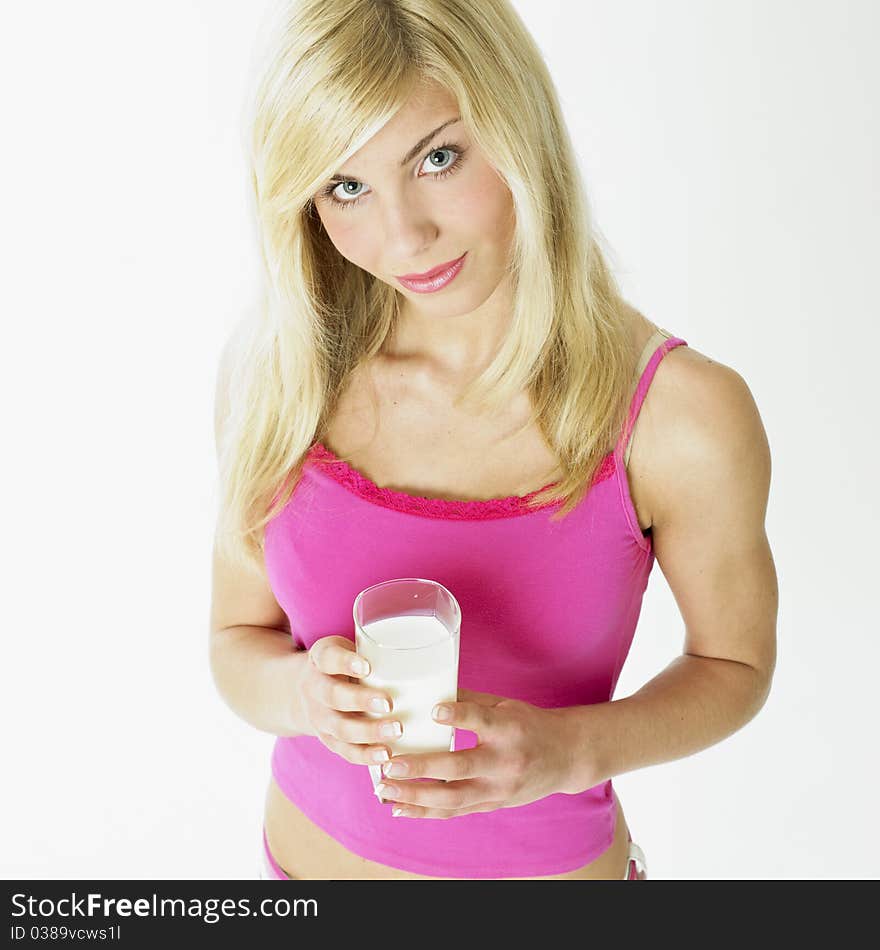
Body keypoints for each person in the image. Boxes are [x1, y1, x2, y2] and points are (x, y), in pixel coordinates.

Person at [210, 0, 778, 881]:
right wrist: (304, 697)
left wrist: (570, 751)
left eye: (438, 158)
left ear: (517, 126)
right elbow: (235, 641)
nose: (404, 237)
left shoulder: (678, 415)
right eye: (344, 186)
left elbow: (734, 665)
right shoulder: (284, 380)